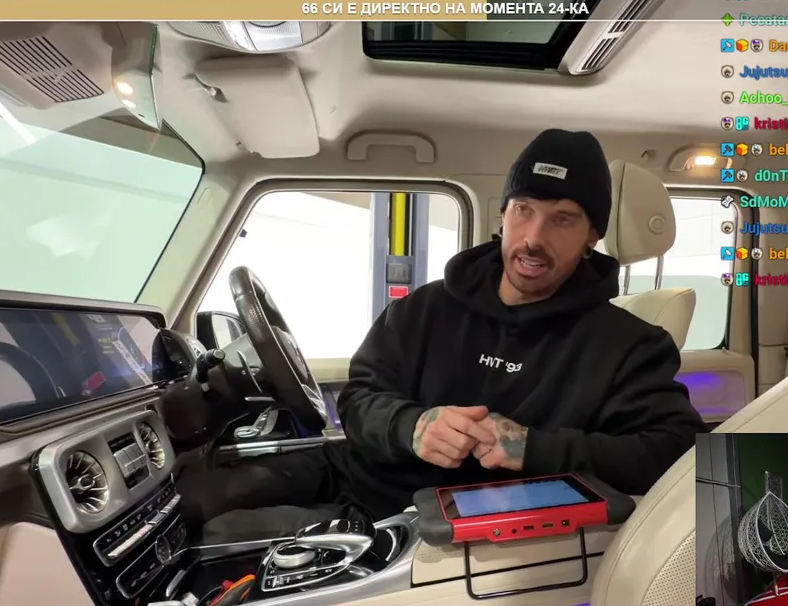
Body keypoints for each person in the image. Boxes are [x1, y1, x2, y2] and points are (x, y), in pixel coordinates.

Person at [183, 129, 708, 544]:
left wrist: (534, 448)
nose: (533, 238)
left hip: (429, 526)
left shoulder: (629, 346)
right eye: (524, 209)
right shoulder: (426, 308)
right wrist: (413, 426)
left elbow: (673, 452)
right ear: (503, 213)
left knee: (220, 537)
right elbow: (360, 400)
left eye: (563, 220)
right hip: (353, 470)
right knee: (194, 501)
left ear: (592, 235)